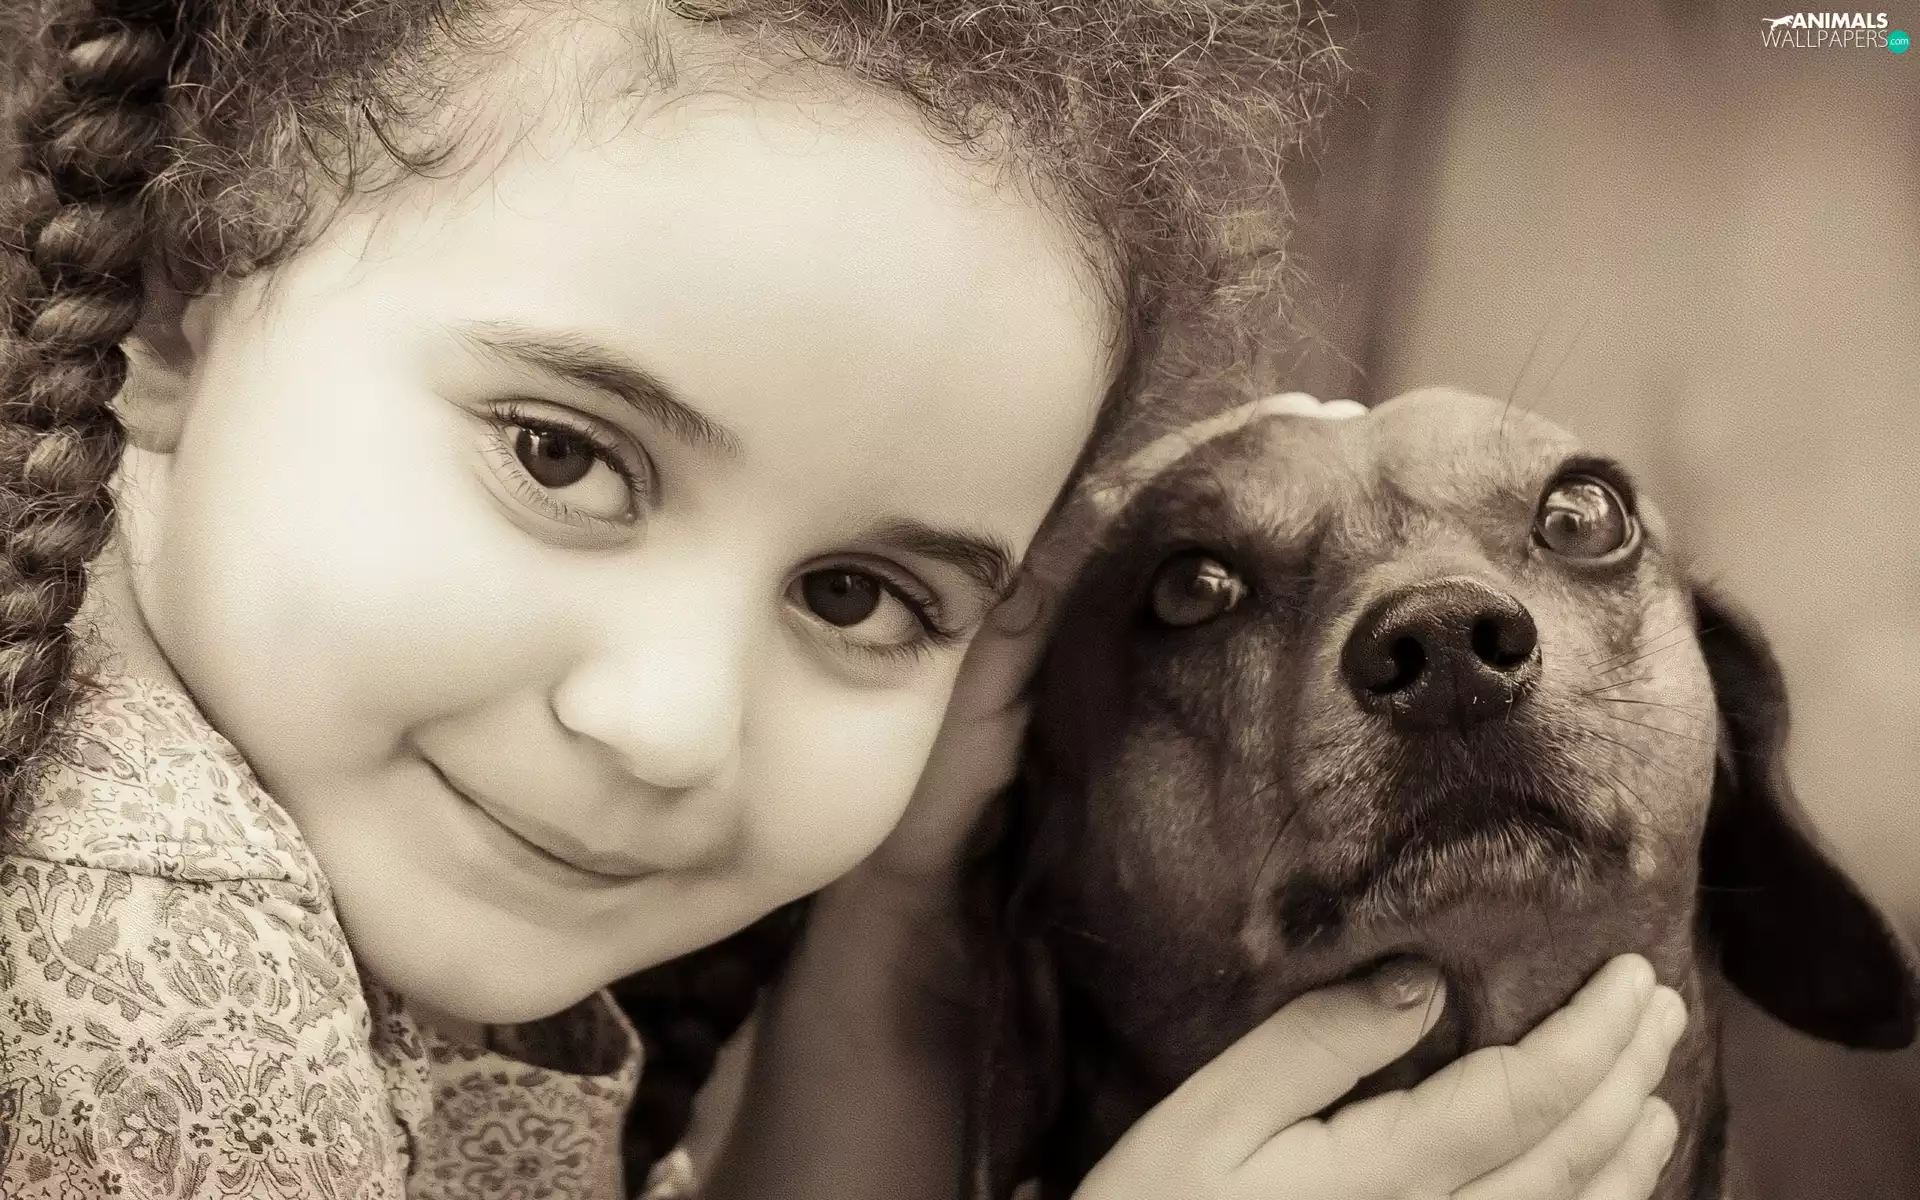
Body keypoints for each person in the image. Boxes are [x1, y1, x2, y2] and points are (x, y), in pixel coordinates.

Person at [0, 1, 1686, 1197]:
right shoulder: (149, 995)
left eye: (859, 594)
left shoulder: (274, 806)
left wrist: (897, 908)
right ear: (173, 310)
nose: (669, 722)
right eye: (564, 458)